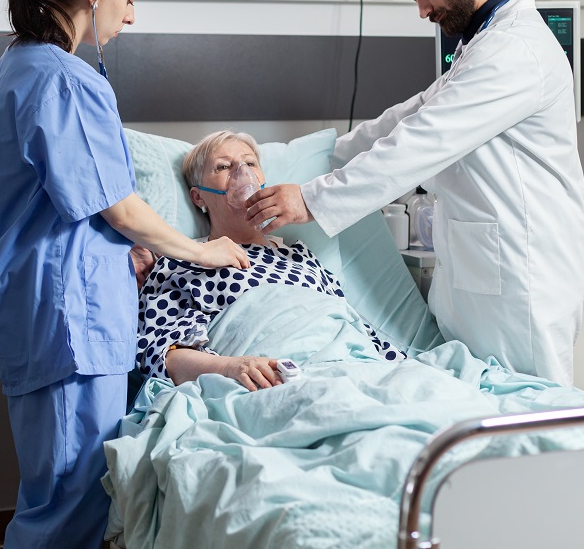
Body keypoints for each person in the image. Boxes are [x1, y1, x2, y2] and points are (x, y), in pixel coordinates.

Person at [0, 0, 249, 549]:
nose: (132, 17)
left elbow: (67, 197)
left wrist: (126, 246)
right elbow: (117, 206)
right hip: (69, 316)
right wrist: (201, 249)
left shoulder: (17, 65)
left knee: (55, 491)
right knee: (69, 501)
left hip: (41, 300)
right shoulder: (62, 77)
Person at [245, 0, 584, 386]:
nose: (424, 9)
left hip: (521, 278)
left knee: (528, 413)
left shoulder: (516, 50)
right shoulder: (483, 44)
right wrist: (311, 155)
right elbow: (406, 117)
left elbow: (422, 140)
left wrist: (310, 199)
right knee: (476, 407)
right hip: (484, 272)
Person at [137, 131, 405, 390]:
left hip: (353, 370)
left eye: (250, 162)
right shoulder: (183, 262)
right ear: (198, 197)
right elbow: (163, 355)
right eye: (222, 167)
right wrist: (231, 367)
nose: (242, 172)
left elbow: (356, 329)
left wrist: (397, 372)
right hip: (276, 380)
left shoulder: (301, 257)